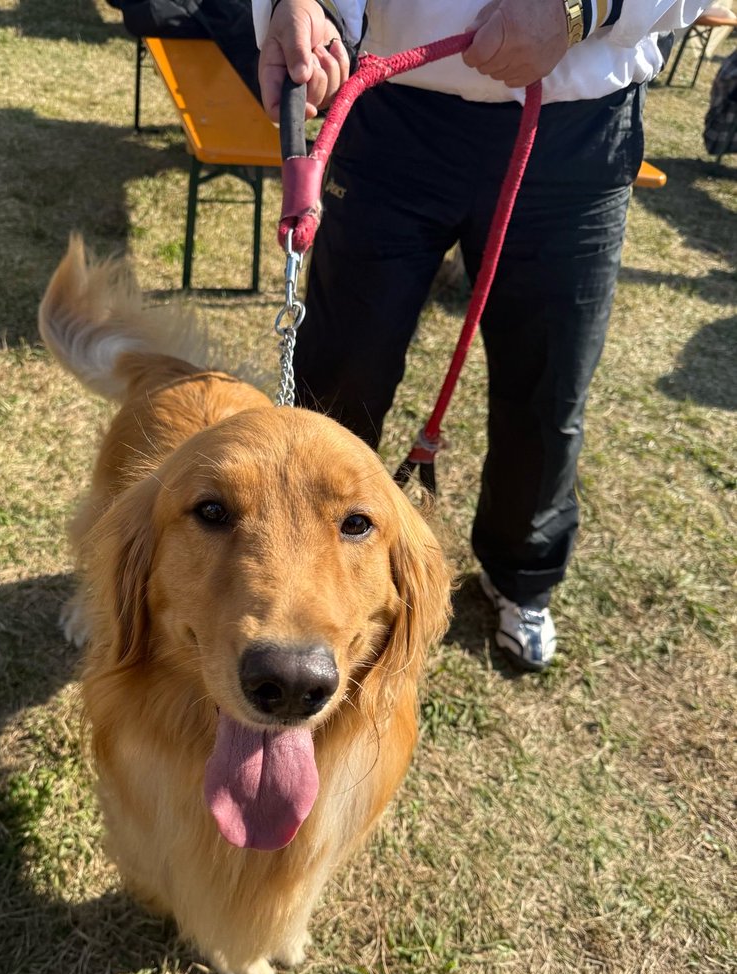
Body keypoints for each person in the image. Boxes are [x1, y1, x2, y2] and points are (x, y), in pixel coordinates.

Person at [252, 0, 706, 671]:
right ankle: (302, 583)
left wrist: (578, 9)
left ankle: (521, 574)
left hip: (574, 130)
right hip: (392, 104)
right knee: (340, 373)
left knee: (547, 385)